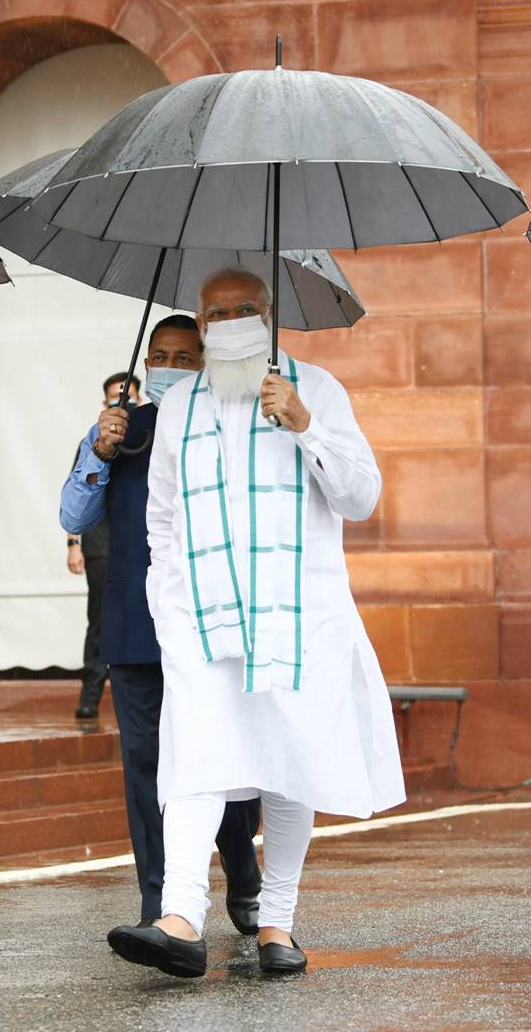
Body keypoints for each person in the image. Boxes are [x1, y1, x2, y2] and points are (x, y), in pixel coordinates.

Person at [107, 269, 405, 979]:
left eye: (245, 309)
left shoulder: (318, 389)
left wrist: (304, 426)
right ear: (202, 324)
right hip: (201, 621)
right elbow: (162, 518)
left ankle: (277, 923)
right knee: (193, 757)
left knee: (290, 760)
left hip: (300, 618)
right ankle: (179, 918)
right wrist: (166, 602)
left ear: (267, 318)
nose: (231, 320)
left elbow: (360, 498)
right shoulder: (180, 408)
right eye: (218, 312)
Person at [60, 314, 262, 934]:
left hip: (208, 622)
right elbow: (73, 509)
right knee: (145, 764)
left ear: (204, 364)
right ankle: (159, 905)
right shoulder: (118, 431)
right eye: (161, 356)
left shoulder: (226, 431)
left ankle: (243, 874)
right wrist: (100, 450)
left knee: (218, 757)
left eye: (184, 357)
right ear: (146, 362)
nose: (170, 367)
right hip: (134, 622)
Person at [67, 372, 141, 719]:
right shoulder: (95, 437)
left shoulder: (150, 433)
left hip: (137, 544)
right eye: (115, 397)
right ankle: (90, 696)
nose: (122, 402)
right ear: (104, 402)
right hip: (99, 545)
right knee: (98, 621)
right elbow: (75, 494)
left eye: (128, 396)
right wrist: (72, 544)